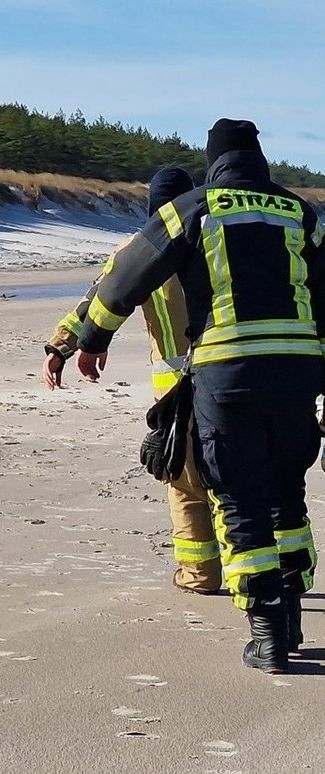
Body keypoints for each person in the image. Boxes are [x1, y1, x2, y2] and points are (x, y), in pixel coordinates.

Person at [74, 119, 325, 675]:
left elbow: (127, 274)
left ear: (213, 160)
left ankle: (268, 633)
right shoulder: (299, 213)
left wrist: (91, 338)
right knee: (286, 494)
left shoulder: (194, 209)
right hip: (296, 378)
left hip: (227, 378)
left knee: (240, 496)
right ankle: (292, 616)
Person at [42, 167, 223, 596]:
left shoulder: (138, 248)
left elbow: (100, 300)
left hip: (173, 389)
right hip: (229, 375)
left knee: (183, 480)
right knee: (230, 478)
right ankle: (250, 577)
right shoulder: (220, 243)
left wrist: (62, 347)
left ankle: (199, 575)